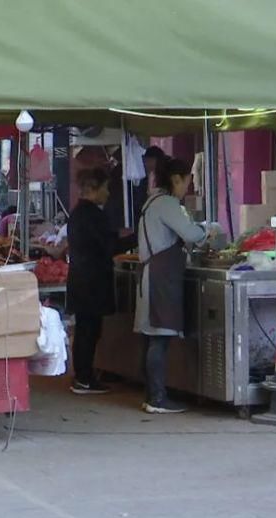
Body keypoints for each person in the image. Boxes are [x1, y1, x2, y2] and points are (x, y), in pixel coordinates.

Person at [135, 158, 211, 414]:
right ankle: (157, 399)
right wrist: (207, 230)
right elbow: (191, 234)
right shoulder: (167, 204)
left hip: (153, 274)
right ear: (176, 179)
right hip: (161, 277)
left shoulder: (152, 202)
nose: (187, 187)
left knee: (152, 338)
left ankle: (151, 395)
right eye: (186, 182)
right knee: (159, 338)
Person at [67, 168, 136, 394]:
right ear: (93, 189)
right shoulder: (93, 216)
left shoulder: (78, 213)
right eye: (105, 188)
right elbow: (109, 247)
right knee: (89, 330)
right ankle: (84, 378)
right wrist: (137, 237)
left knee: (85, 328)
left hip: (80, 278)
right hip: (92, 280)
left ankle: (83, 375)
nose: (108, 193)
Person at [133, 146, 168, 227]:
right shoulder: (142, 180)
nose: (146, 164)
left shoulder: (165, 181)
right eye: (146, 161)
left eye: (150, 161)